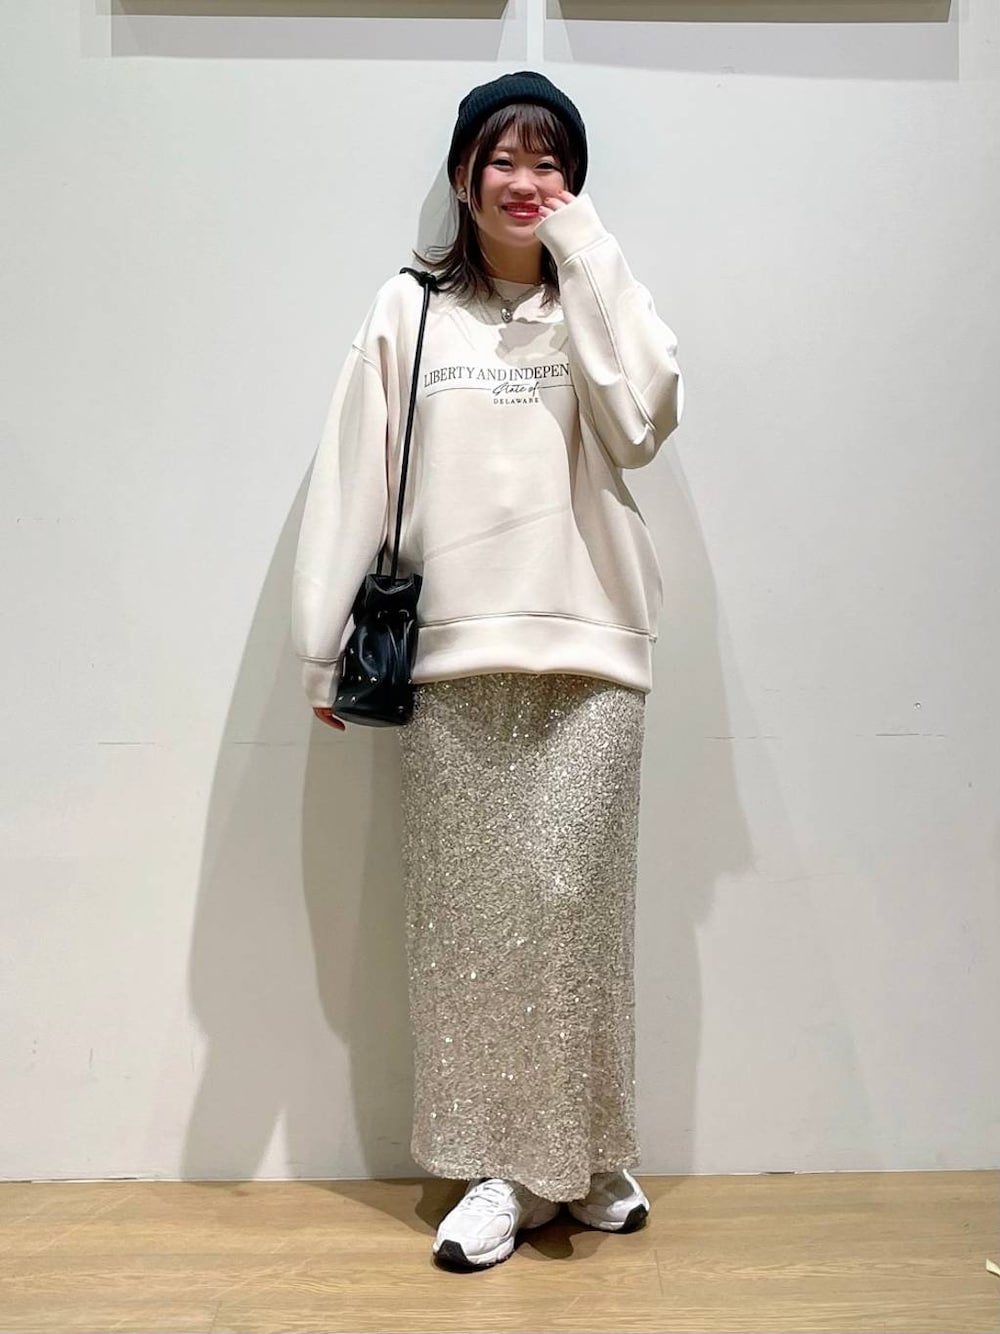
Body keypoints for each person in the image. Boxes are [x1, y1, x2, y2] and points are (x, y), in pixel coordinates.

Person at [291, 70, 684, 1270]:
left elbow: (644, 421)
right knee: (469, 929)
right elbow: (356, 472)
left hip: (593, 652)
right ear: (463, 174)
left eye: (549, 160)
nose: (526, 180)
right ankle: (498, 1169)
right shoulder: (409, 310)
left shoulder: (598, 300)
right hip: (453, 659)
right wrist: (319, 642)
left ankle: (583, 1152)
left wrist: (584, 248)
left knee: (575, 913)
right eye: (503, 158)